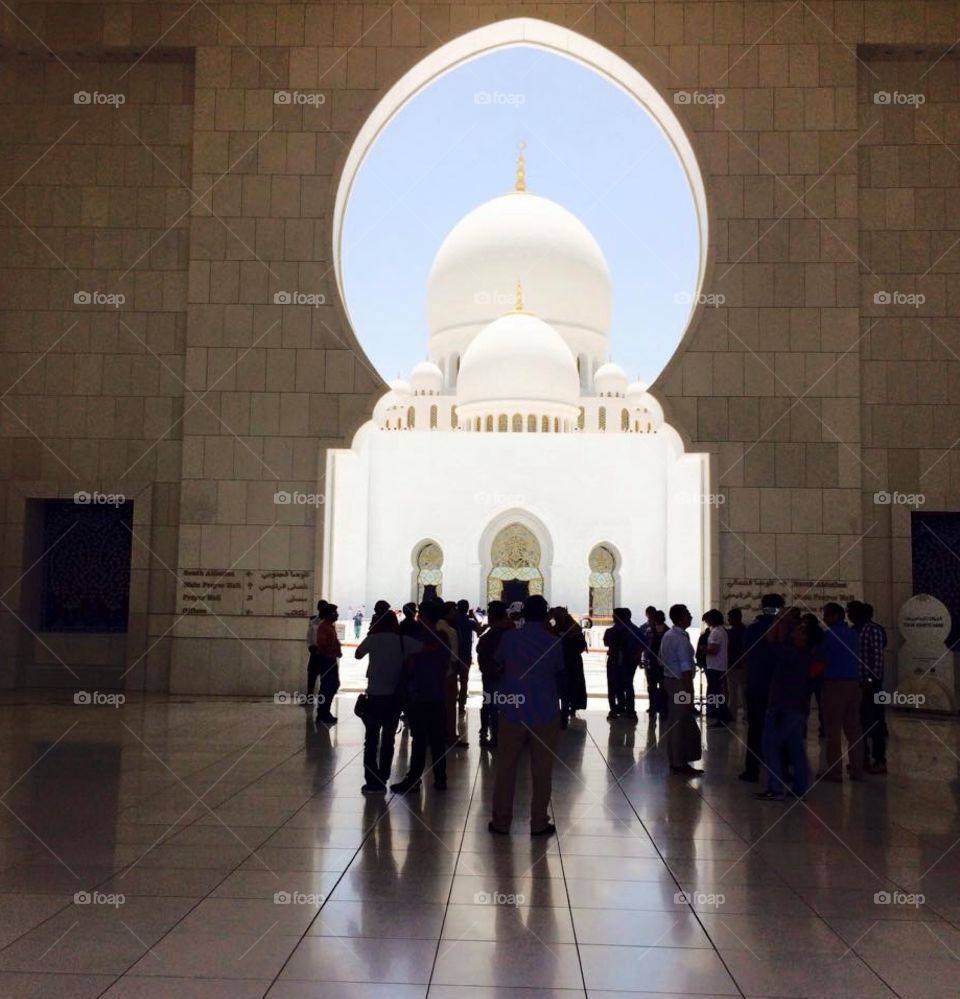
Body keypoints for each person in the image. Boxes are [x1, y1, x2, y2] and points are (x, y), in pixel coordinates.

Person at [489, 594, 563, 836]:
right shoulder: (553, 641)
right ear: (545, 615)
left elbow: (497, 661)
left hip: (512, 709)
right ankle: (538, 822)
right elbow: (558, 669)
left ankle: (501, 822)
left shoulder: (509, 638)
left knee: (506, 767)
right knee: (542, 770)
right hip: (545, 710)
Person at [391, 600, 449, 793]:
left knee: (420, 739)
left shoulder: (417, 638)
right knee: (437, 739)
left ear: (424, 617)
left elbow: (409, 665)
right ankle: (440, 778)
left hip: (419, 694)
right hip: (437, 693)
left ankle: (414, 778)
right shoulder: (443, 637)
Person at [355, 609, 416, 793]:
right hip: (394, 699)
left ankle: (372, 781)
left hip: (374, 697)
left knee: (371, 740)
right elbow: (426, 647)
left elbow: (358, 654)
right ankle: (383, 776)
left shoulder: (373, 639)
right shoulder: (402, 641)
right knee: (388, 739)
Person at [755, 608, 810, 801]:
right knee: (796, 748)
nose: (793, 631)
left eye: (799, 630)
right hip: (799, 706)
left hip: (783, 706)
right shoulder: (805, 654)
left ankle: (775, 788)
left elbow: (770, 638)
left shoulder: (790, 653)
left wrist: (779, 618)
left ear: (803, 637)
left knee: (770, 745)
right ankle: (800, 787)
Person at [739, 593, 785, 782]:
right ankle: (781, 769)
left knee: (756, 728)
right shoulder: (785, 629)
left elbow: (746, 655)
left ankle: (752, 770)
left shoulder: (753, 629)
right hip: (779, 685)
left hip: (757, 683)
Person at [820, 602, 864, 782]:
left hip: (835, 685)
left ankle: (835, 771)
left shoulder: (829, 636)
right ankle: (857, 769)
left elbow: (820, 657)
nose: (824, 618)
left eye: (827, 615)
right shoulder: (853, 634)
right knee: (854, 729)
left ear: (836, 616)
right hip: (854, 684)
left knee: (833, 729)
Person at [660, 604, 701, 776]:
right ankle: (678, 762)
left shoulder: (669, 635)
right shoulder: (680, 639)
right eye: (689, 614)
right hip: (680, 684)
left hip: (670, 681)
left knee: (677, 721)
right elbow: (685, 668)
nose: (691, 617)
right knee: (679, 722)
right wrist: (689, 693)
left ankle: (678, 759)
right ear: (682, 617)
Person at [848, 600, 887, 775]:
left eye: (852, 611)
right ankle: (861, 758)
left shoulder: (873, 630)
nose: (849, 614)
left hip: (871, 685)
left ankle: (879, 760)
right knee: (858, 723)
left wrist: (871, 681)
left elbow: (877, 658)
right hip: (855, 684)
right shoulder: (852, 631)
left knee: (875, 723)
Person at [477, 600, 510, 747]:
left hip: (492, 674)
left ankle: (493, 735)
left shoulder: (492, 633)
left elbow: (481, 649)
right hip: (506, 674)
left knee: (491, 705)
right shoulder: (511, 631)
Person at [551, 607, 588, 727]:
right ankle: (566, 711)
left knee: (564, 688)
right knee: (566, 688)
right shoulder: (572, 628)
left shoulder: (569, 629)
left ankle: (563, 714)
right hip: (570, 662)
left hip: (567, 663)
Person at [438, 602, 466, 747]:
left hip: (434, 674)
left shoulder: (435, 626)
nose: (456, 613)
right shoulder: (450, 631)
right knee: (449, 705)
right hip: (448, 673)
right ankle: (451, 736)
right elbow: (454, 657)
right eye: (453, 610)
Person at [603, 609, 640, 721]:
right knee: (626, 686)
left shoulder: (612, 631)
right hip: (625, 661)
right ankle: (628, 710)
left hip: (620, 661)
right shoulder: (632, 630)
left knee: (614, 686)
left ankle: (616, 709)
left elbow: (606, 642)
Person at [702, 609, 731, 725]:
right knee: (718, 692)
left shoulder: (715, 632)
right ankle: (722, 714)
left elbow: (713, 650)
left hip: (715, 667)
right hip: (720, 666)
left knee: (716, 693)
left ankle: (722, 717)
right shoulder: (722, 631)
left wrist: (703, 649)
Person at [314, 603, 342, 724]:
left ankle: (325, 712)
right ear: (328, 614)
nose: (337, 614)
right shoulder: (324, 627)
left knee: (332, 685)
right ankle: (322, 713)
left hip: (330, 659)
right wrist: (333, 651)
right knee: (327, 687)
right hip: (326, 660)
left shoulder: (330, 626)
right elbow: (322, 644)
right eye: (334, 612)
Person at [801, 611, 827, 737]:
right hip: (818, 673)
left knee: (805, 704)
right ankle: (824, 728)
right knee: (820, 704)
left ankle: (803, 729)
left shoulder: (804, 636)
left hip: (810, 673)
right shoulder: (821, 635)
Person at [455, 599, 479, 714]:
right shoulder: (470, 622)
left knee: (452, 679)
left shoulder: (453, 621)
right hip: (465, 655)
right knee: (464, 681)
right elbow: (479, 631)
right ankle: (461, 705)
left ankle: (452, 700)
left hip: (453, 654)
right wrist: (473, 615)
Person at [724, 608, 746, 723]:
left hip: (734, 665)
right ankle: (746, 714)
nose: (728, 620)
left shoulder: (731, 633)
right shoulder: (745, 630)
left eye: (730, 617)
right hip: (740, 665)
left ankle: (732, 714)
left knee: (733, 693)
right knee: (743, 692)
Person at [646, 610, 668, 716]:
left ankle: (655, 707)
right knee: (656, 687)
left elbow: (647, 647)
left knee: (654, 687)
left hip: (657, 663)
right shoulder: (667, 631)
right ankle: (657, 708)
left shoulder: (650, 630)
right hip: (657, 663)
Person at [305, 599, 328, 701]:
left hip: (324, 652)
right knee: (311, 675)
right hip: (314, 651)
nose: (323, 609)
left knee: (324, 677)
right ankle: (309, 697)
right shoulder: (313, 620)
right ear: (318, 608)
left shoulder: (329, 622)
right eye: (322, 607)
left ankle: (321, 698)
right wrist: (310, 646)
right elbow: (309, 635)